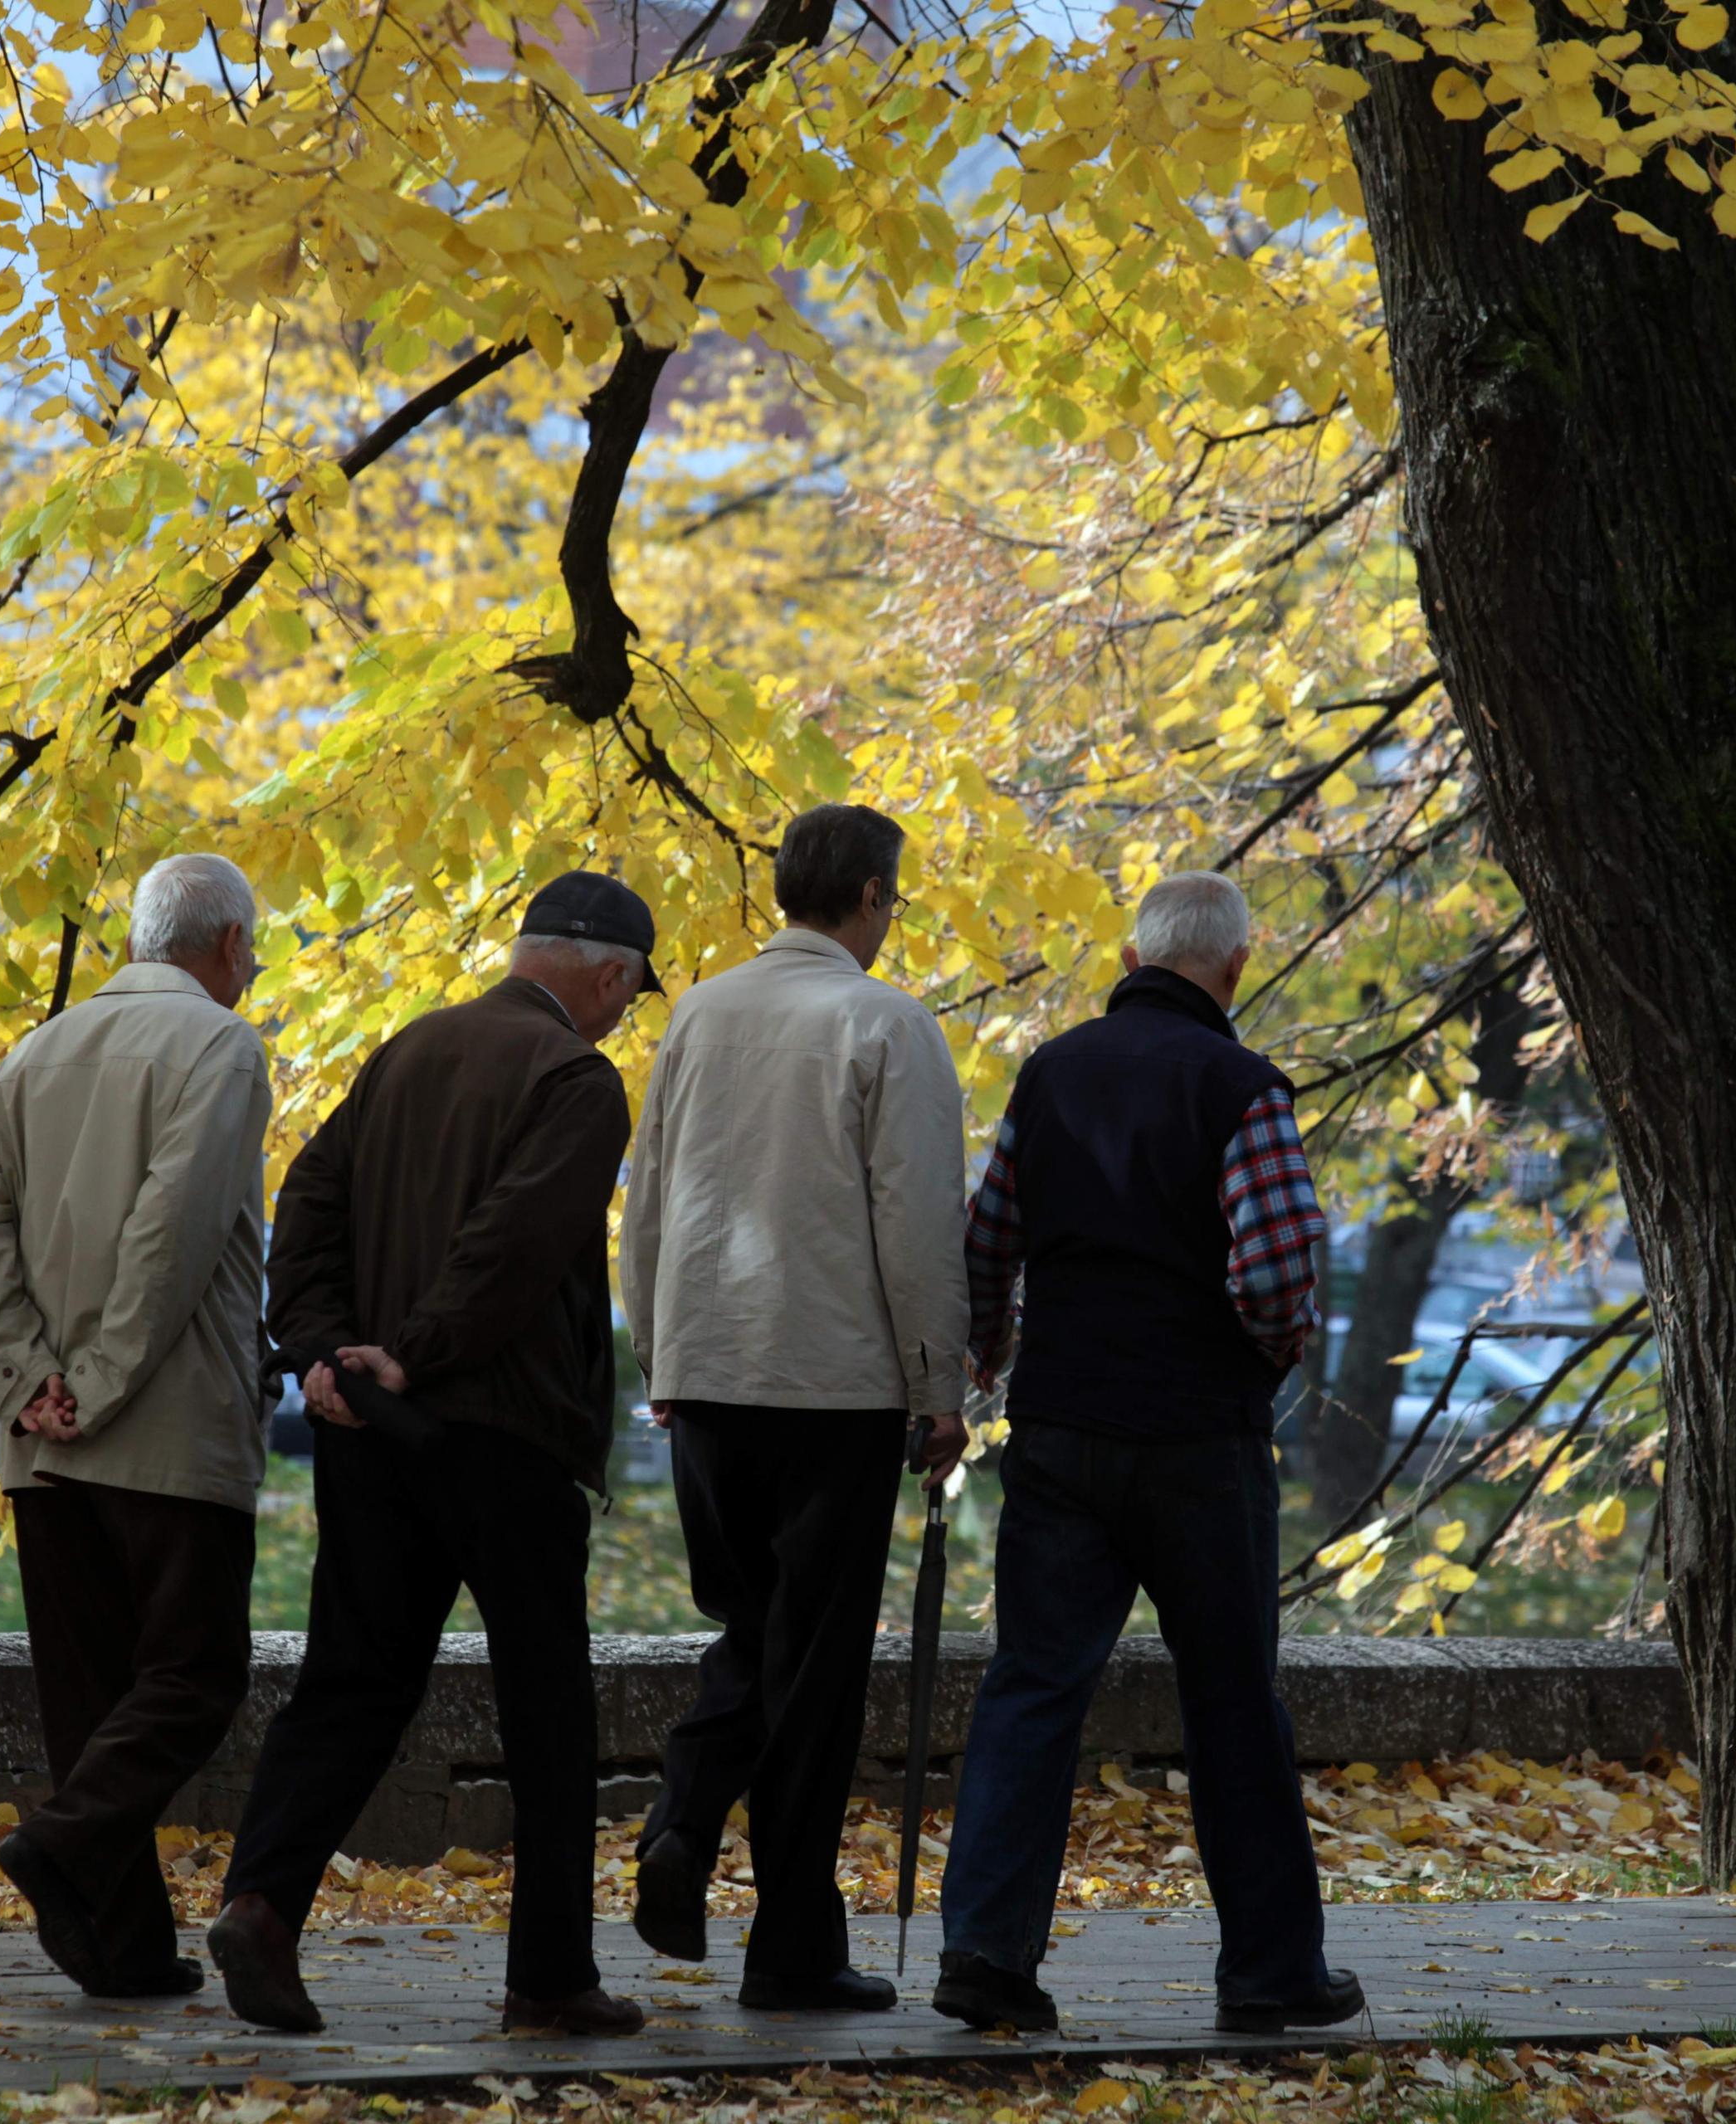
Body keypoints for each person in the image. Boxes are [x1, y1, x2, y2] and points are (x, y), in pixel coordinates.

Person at [204, 872, 662, 2041]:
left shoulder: (407, 1049)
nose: (622, 1016)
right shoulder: (577, 1081)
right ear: (606, 977)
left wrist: (318, 1351)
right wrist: (410, 1353)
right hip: (500, 1435)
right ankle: (550, 1977)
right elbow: (515, 1245)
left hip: (372, 1434)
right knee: (548, 1706)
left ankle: (261, 1903)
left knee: (352, 1682)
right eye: (627, 994)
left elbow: (309, 1199)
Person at [934, 871, 1363, 2037]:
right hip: (1196, 1441)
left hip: (1063, 1427)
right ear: (1232, 967)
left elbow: (987, 1243)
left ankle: (986, 1953)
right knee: (1231, 1700)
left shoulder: (1053, 1072)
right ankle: (1271, 1973)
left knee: (1032, 1684)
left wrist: (991, 1357)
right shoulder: (1241, 1087)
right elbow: (1276, 1274)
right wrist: (1258, 1363)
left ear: (1134, 957)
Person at [617, 802, 969, 2013]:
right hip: (832, 1385)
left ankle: (683, 1822)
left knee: (750, 1629)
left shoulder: (700, 1014)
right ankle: (793, 1947)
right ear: (871, 895)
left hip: (707, 1374)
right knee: (813, 1669)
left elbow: (649, 1195)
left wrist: (660, 1354)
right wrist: (941, 1387)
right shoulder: (888, 1022)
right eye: (895, 898)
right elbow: (916, 1224)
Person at [0, 851, 276, 1999]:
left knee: (89, 1701)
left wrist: (24, 1381)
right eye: (255, 944)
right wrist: (101, 1378)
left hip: (44, 1443)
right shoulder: (223, 1047)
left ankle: (125, 1952)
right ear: (229, 946)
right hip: (169, 1429)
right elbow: (174, 1230)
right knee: (194, 1677)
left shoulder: (30, 1056)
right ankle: (64, 1844)